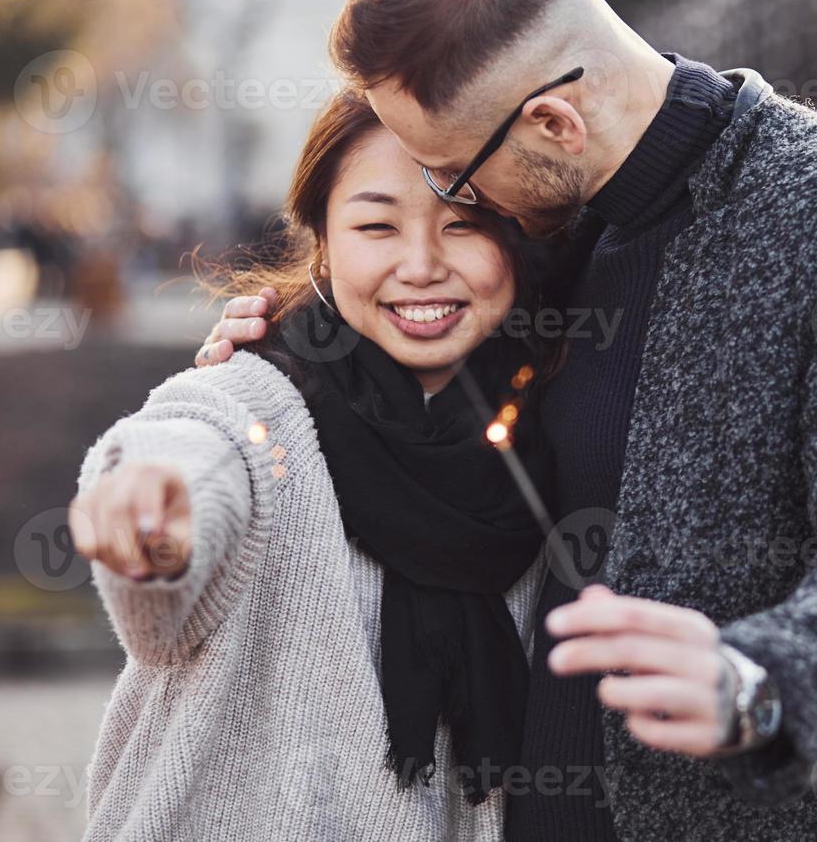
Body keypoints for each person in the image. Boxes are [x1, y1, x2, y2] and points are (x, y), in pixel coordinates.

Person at [205, 0, 817, 841]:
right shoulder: (550, 225)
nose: (458, 207)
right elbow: (424, 379)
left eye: (453, 176)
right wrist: (289, 348)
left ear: (553, 122)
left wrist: (759, 680)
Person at [70, 89, 559, 840]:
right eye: (375, 226)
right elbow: (202, 442)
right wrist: (155, 508)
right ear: (324, 241)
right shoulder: (260, 395)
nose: (421, 265)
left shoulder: (554, 426)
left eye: (465, 223)